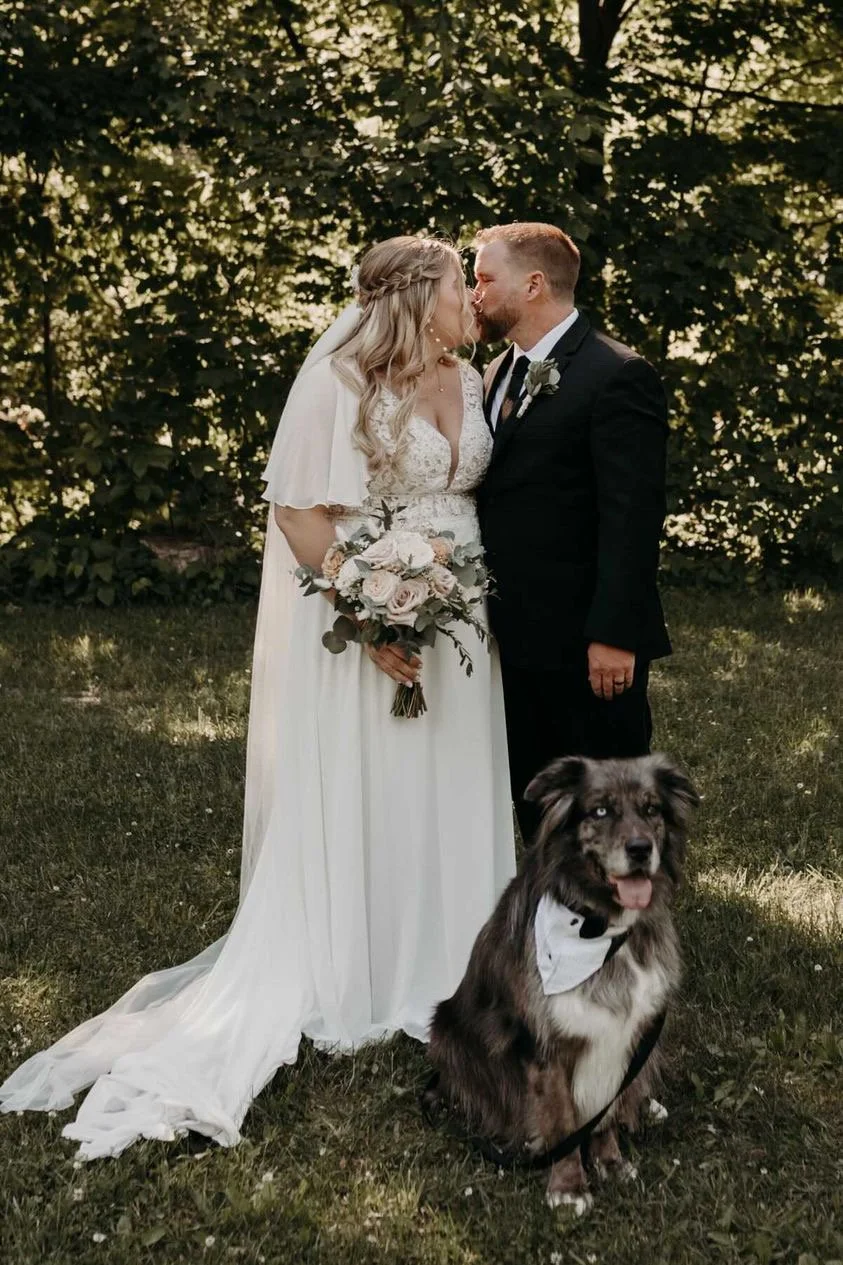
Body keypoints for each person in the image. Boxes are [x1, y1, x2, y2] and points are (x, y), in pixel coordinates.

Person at [0, 236, 516, 1160]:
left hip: (463, 620)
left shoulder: (473, 379)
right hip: (372, 627)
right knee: (376, 787)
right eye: (455, 286)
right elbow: (298, 511)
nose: (469, 300)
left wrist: (438, 597)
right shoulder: (342, 381)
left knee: (448, 780)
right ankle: (361, 964)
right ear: (414, 296)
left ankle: (456, 960)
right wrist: (371, 614)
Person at [473, 222, 672, 843]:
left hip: (585, 640)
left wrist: (614, 634)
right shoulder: (496, 371)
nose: (474, 293)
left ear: (533, 284)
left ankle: (621, 931)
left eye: (484, 279)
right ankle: (548, 923)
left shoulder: (616, 374)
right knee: (537, 800)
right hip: (510, 634)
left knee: (606, 801)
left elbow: (632, 518)